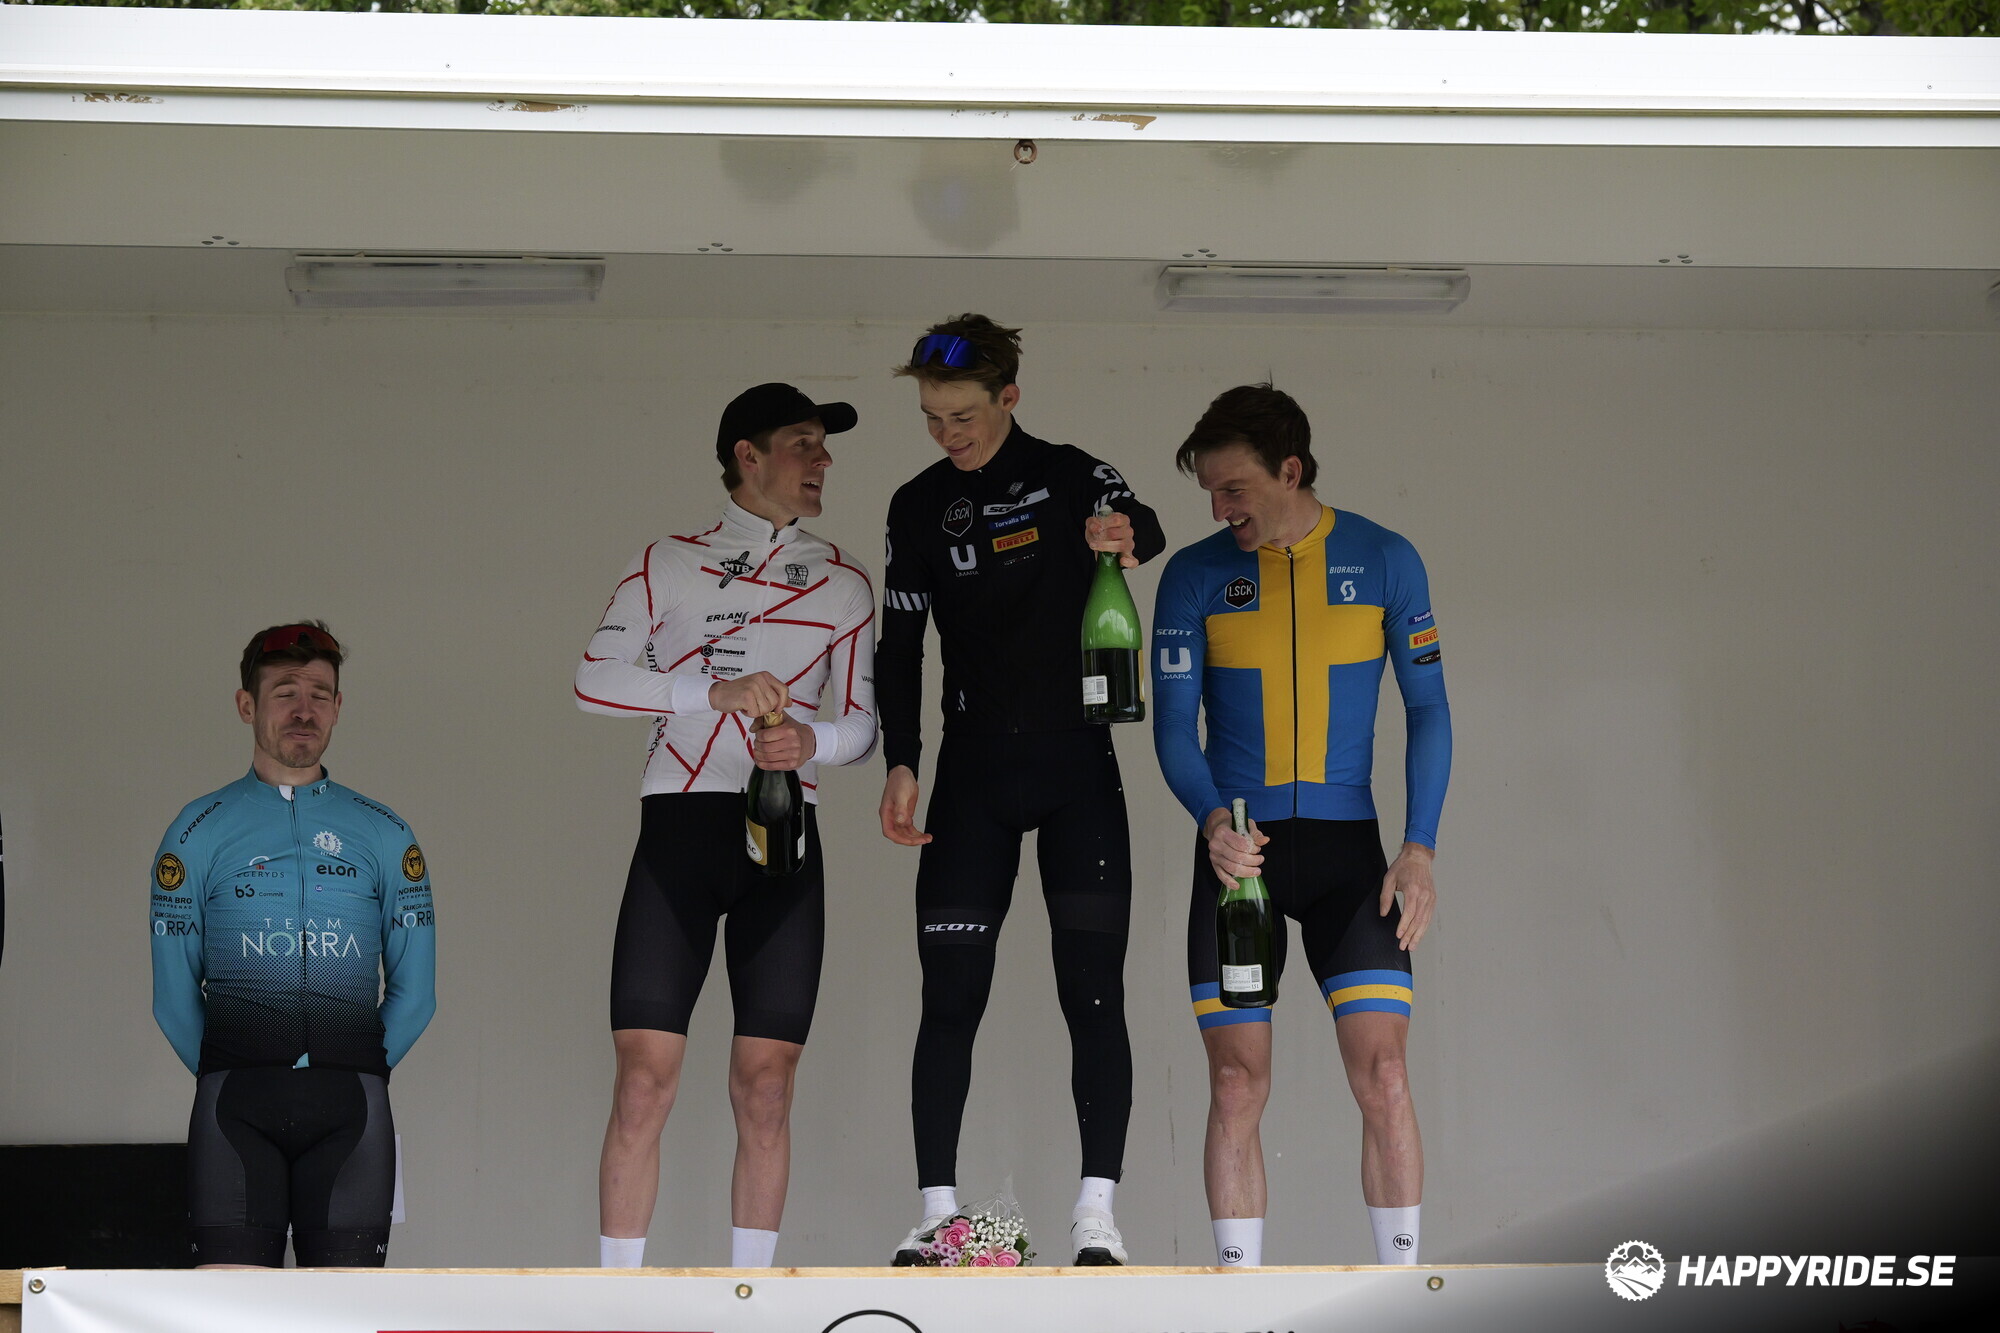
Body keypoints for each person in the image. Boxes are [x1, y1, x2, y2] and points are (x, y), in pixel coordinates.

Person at [876, 314, 1164, 1266]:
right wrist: (903, 759)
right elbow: (899, 644)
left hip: (1078, 769)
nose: (946, 433)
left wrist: (1122, 535)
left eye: (962, 415)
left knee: (1093, 994)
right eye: (931, 417)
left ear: (1009, 397)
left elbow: (1144, 522)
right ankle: (938, 1214)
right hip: (972, 778)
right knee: (950, 996)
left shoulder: (1073, 472)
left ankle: (1096, 1215)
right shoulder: (918, 503)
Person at [575, 382, 877, 1270]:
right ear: (748, 455)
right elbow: (593, 680)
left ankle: (752, 1303)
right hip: (679, 827)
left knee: (768, 1085)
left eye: (824, 445)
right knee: (642, 1080)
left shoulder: (846, 581)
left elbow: (862, 727)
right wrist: (708, 691)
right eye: (803, 443)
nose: (823, 461)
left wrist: (810, 740)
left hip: (784, 838)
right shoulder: (668, 561)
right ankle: (617, 1305)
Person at [1150, 384, 1452, 1268]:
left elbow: (1428, 708)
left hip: (1346, 852)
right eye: (1211, 492)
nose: (1220, 509)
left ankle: (1401, 1290)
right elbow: (1173, 727)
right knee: (1236, 1082)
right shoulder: (1194, 574)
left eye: (1234, 489)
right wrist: (1213, 819)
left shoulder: (1385, 557)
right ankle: (1239, 1299)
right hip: (1236, 856)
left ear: (1290, 470)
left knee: (1385, 1074)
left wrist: (1420, 847)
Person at [150, 622, 437, 1269]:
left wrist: (352, 1064)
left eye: (319, 694)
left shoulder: (386, 832)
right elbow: (172, 998)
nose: (304, 710)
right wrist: (236, 1064)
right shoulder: (195, 831)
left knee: (342, 1314)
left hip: (351, 1110)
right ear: (246, 704)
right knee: (228, 1311)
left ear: (338, 707)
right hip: (235, 1106)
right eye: (285, 692)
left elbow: (417, 994)